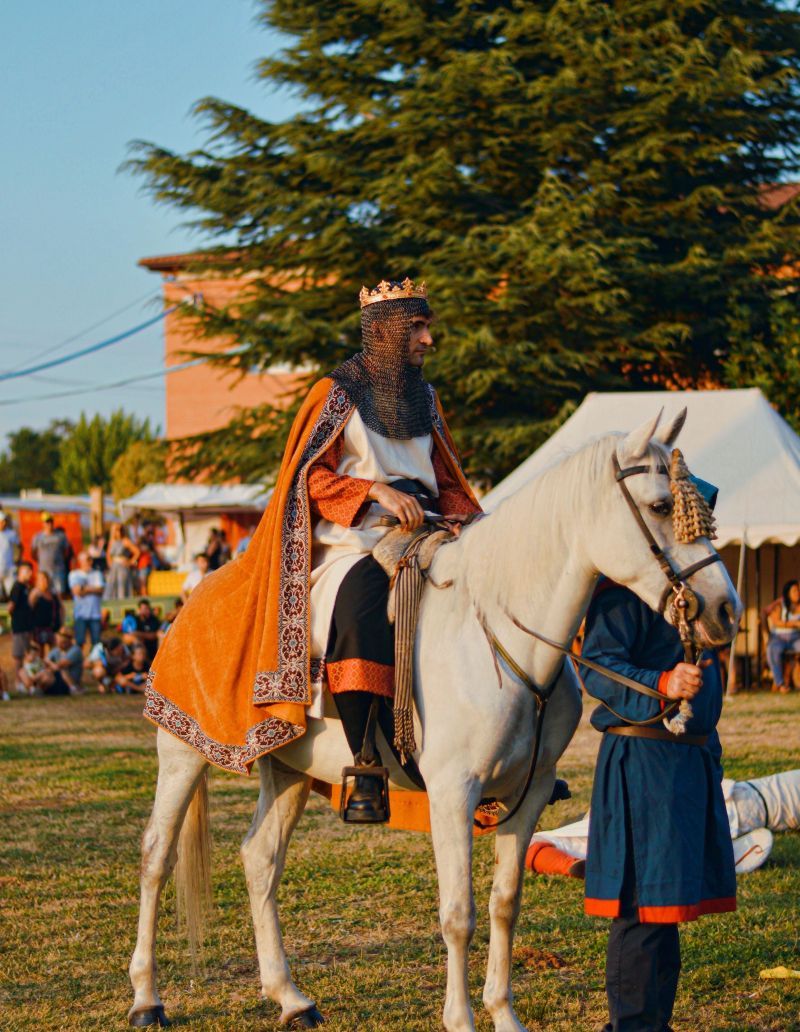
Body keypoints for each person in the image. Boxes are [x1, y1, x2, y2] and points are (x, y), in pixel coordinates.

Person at [144, 278, 480, 818]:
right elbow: (306, 478)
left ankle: (503, 753)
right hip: (354, 538)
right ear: (389, 331)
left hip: (427, 530)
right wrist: (373, 489)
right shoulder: (337, 394)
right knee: (362, 606)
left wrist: (477, 526)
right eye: (418, 328)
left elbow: (450, 481)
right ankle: (367, 760)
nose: (427, 340)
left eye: (426, 328)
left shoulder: (426, 399)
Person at [580, 572, 735, 1032]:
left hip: (686, 761)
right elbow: (597, 665)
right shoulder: (625, 592)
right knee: (641, 907)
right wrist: (662, 682)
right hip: (644, 761)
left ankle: (653, 1025)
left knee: (665, 908)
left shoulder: (692, 595)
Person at [526, 767, 800, 879]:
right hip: (744, 803)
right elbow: (531, 847)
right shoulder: (590, 828)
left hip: (729, 812)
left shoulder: (589, 830)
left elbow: (532, 847)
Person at [763, 579, 800, 693]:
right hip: (778, 637)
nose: (797, 593)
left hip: (795, 638)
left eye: (798, 590)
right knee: (773, 651)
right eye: (794, 590)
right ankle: (780, 683)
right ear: (788, 593)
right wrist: (765, 634)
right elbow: (774, 620)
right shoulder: (780, 604)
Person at [68, 551, 105, 648]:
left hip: (95, 614)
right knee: (79, 642)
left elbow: (101, 590)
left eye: (90, 559)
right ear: (81, 561)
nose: (90, 562)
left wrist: (84, 588)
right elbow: (76, 591)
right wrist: (93, 589)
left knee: (97, 643)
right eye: (87, 559)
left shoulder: (97, 573)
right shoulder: (74, 574)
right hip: (80, 614)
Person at [9, 560, 35, 690]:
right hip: (19, 627)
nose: (30, 574)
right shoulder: (17, 587)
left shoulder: (26, 587)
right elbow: (11, 606)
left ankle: (26, 680)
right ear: (20, 572)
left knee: (27, 654)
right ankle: (18, 682)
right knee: (18, 655)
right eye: (27, 571)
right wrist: (17, 619)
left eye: (31, 571)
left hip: (27, 627)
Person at [31, 513, 71, 596]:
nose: (49, 524)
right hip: (43, 570)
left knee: (59, 592)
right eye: (47, 522)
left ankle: (58, 608)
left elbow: (67, 551)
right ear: (43, 523)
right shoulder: (37, 537)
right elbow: (33, 552)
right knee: (43, 591)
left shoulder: (60, 536)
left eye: (51, 521)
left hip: (58, 569)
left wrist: (60, 560)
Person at [45, 626, 85, 695]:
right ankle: (34, 689)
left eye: (63, 641)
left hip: (70, 680)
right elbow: (46, 660)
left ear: (69, 640)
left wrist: (50, 665)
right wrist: (50, 666)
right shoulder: (57, 649)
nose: (59, 644)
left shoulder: (75, 650)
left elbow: (61, 665)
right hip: (57, 679)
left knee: (62, 670)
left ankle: (73, 688)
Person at [104, 523, 140, 600]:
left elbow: (137, 552)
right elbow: (108, 554)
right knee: (112, 587)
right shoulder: (112, 541)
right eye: (116, 530)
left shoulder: (125, 541)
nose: (118, 532)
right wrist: (110, 564)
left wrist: (130, 562)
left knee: (122, 588)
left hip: (122, 568)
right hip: (114, 568)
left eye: (120, 530)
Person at [29, 570, 63, 651]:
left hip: (53, 627)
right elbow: (29, 611)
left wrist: (61, 622)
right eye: (41, 579)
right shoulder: (35, 594)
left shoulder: (54, 594)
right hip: (39, 627)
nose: (44, 581)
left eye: (45, 578)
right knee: (40, 651)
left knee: (54, 651)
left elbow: (61, 608)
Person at [0, 510, 20, 600]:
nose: (3, 523)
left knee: (12, 593)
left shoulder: (11, 534)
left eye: (4, 521)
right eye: (1, 521)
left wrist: (17, 560)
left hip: (9, 569)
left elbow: (19, 547)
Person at [133, 598, 161, 663]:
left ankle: (158, 661)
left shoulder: (154, 619)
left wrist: (139, 634)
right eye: (145, 609)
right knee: (137, 641)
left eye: (148, 608)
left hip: (153, 645)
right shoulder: (135, 620)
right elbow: (128, 635)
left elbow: (154, 635)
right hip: (142, 646)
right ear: (139, 610)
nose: (147, 611)